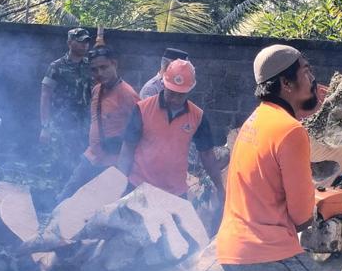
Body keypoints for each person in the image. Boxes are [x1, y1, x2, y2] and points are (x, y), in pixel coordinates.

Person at [216, 45, 342, 271]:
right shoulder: (291, 132)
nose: (314, 79)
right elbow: (302, 217)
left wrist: (307, 109)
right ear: (286, 83)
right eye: (306, 72)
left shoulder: (255, 122)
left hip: (233, 251)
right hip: (268, 252)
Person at [117, 59, 225, 200]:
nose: (175, 99)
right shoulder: (142, 109)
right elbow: (127, 149)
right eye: (171, 92)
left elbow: (207, 156)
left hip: (175, 193)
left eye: (180, 95)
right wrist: (119, 183)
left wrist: (220, 187)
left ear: (189, 90)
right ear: (163, 84)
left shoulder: (197, 117)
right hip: (138, 187)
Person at [58, 45, 140, 200]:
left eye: (104, 67)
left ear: (114, 64)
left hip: (112, 162)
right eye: (94, 69)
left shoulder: (128, 95)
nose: (99, 73)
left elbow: (140, 130)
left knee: (96, 207)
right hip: (91, 157)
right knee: (65, 198)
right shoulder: (96, 90)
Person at [39, 28, 93, 149]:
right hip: (61, 126)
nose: (84, 45)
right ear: (69, 43)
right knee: (59, 164)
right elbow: (45, 97)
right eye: (80, 41)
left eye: (86, 42)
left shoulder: (90, 66)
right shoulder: (56, 67)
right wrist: (45, 127)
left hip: (85, 127)